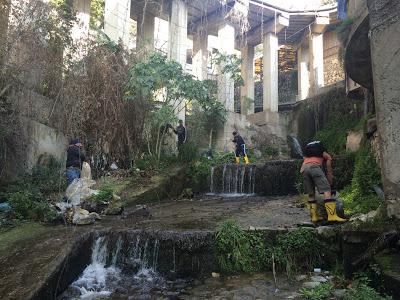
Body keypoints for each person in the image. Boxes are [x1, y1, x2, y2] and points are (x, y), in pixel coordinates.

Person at [301, 141, 346, 224]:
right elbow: (329, 163)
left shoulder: (308, 155)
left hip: (304, 169)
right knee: (327, 190)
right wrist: (330, 178)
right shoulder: (323, 152)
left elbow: (305, 161)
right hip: (314, 167)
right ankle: (332, 216)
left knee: (311, 193)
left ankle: (314, 217)